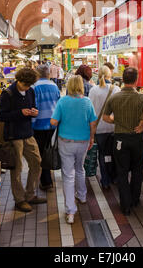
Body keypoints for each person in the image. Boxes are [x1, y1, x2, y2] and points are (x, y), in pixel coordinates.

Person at [102, 67, 143, 215]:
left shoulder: (114, 98)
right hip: (137, 138)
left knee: (122, 171)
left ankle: (125, 205)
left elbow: (105, 117)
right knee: (137, 170)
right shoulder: (142, 97)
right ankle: (135, 199)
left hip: (120, 139)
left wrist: (116, 121)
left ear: (123, 79)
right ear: (136, 80)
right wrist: (142, 121)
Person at [0, 67, 47, 213]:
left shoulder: (30, 91)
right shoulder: (8, 93)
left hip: (28, 133)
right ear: (19, 80)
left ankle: (30, 194)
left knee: (37, 162)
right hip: (13, 136)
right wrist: (20, 113)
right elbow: (0, 116)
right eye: (25, 84)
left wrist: (34, 112)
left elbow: (33, 106)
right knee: (17, 168)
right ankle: (20, 200)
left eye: (29, 85)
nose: (27, 87)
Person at [50, 75, 97, 224]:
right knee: (80, 168)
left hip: (66, 142)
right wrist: (92, 138)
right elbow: (93, 122)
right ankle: (82, 196)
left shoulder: (63, 101)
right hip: (83, 141)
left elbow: (53, 121)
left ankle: (71, 211)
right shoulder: (87, 101)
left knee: (68, 175)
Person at [89, 66, 120, 190]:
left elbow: (91, 111)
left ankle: (105, 180)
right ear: (109, 75)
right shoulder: (116, 89)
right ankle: (115, 177)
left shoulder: (93, 90)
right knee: (114, 154)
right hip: (114, 127)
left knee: (102, 154)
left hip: (99, 128)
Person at [32, 64, 60, 191]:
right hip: (52, 124)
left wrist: (31, 125)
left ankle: (46, 181)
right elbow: (58, 105)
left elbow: (34, 108)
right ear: (48, 74)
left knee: (41, 153)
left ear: (37, 74)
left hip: (38, 125)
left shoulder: (35, 87)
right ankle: (47, 179)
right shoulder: (54, 86)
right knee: (49, 151)